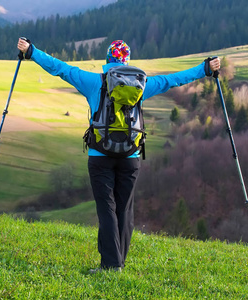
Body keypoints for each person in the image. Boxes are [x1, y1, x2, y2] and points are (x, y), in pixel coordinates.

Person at [17, 38, 220, 273]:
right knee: (124, 209)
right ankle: (117, 263)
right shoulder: (142, 84)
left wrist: (31, 51)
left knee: (107, 208)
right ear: (127, 60)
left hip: (99, 155)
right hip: (130, 157)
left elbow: (60, 68)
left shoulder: (93, 81)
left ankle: (111, 266)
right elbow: (173, 80)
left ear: (107, 59)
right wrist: (205, 69)